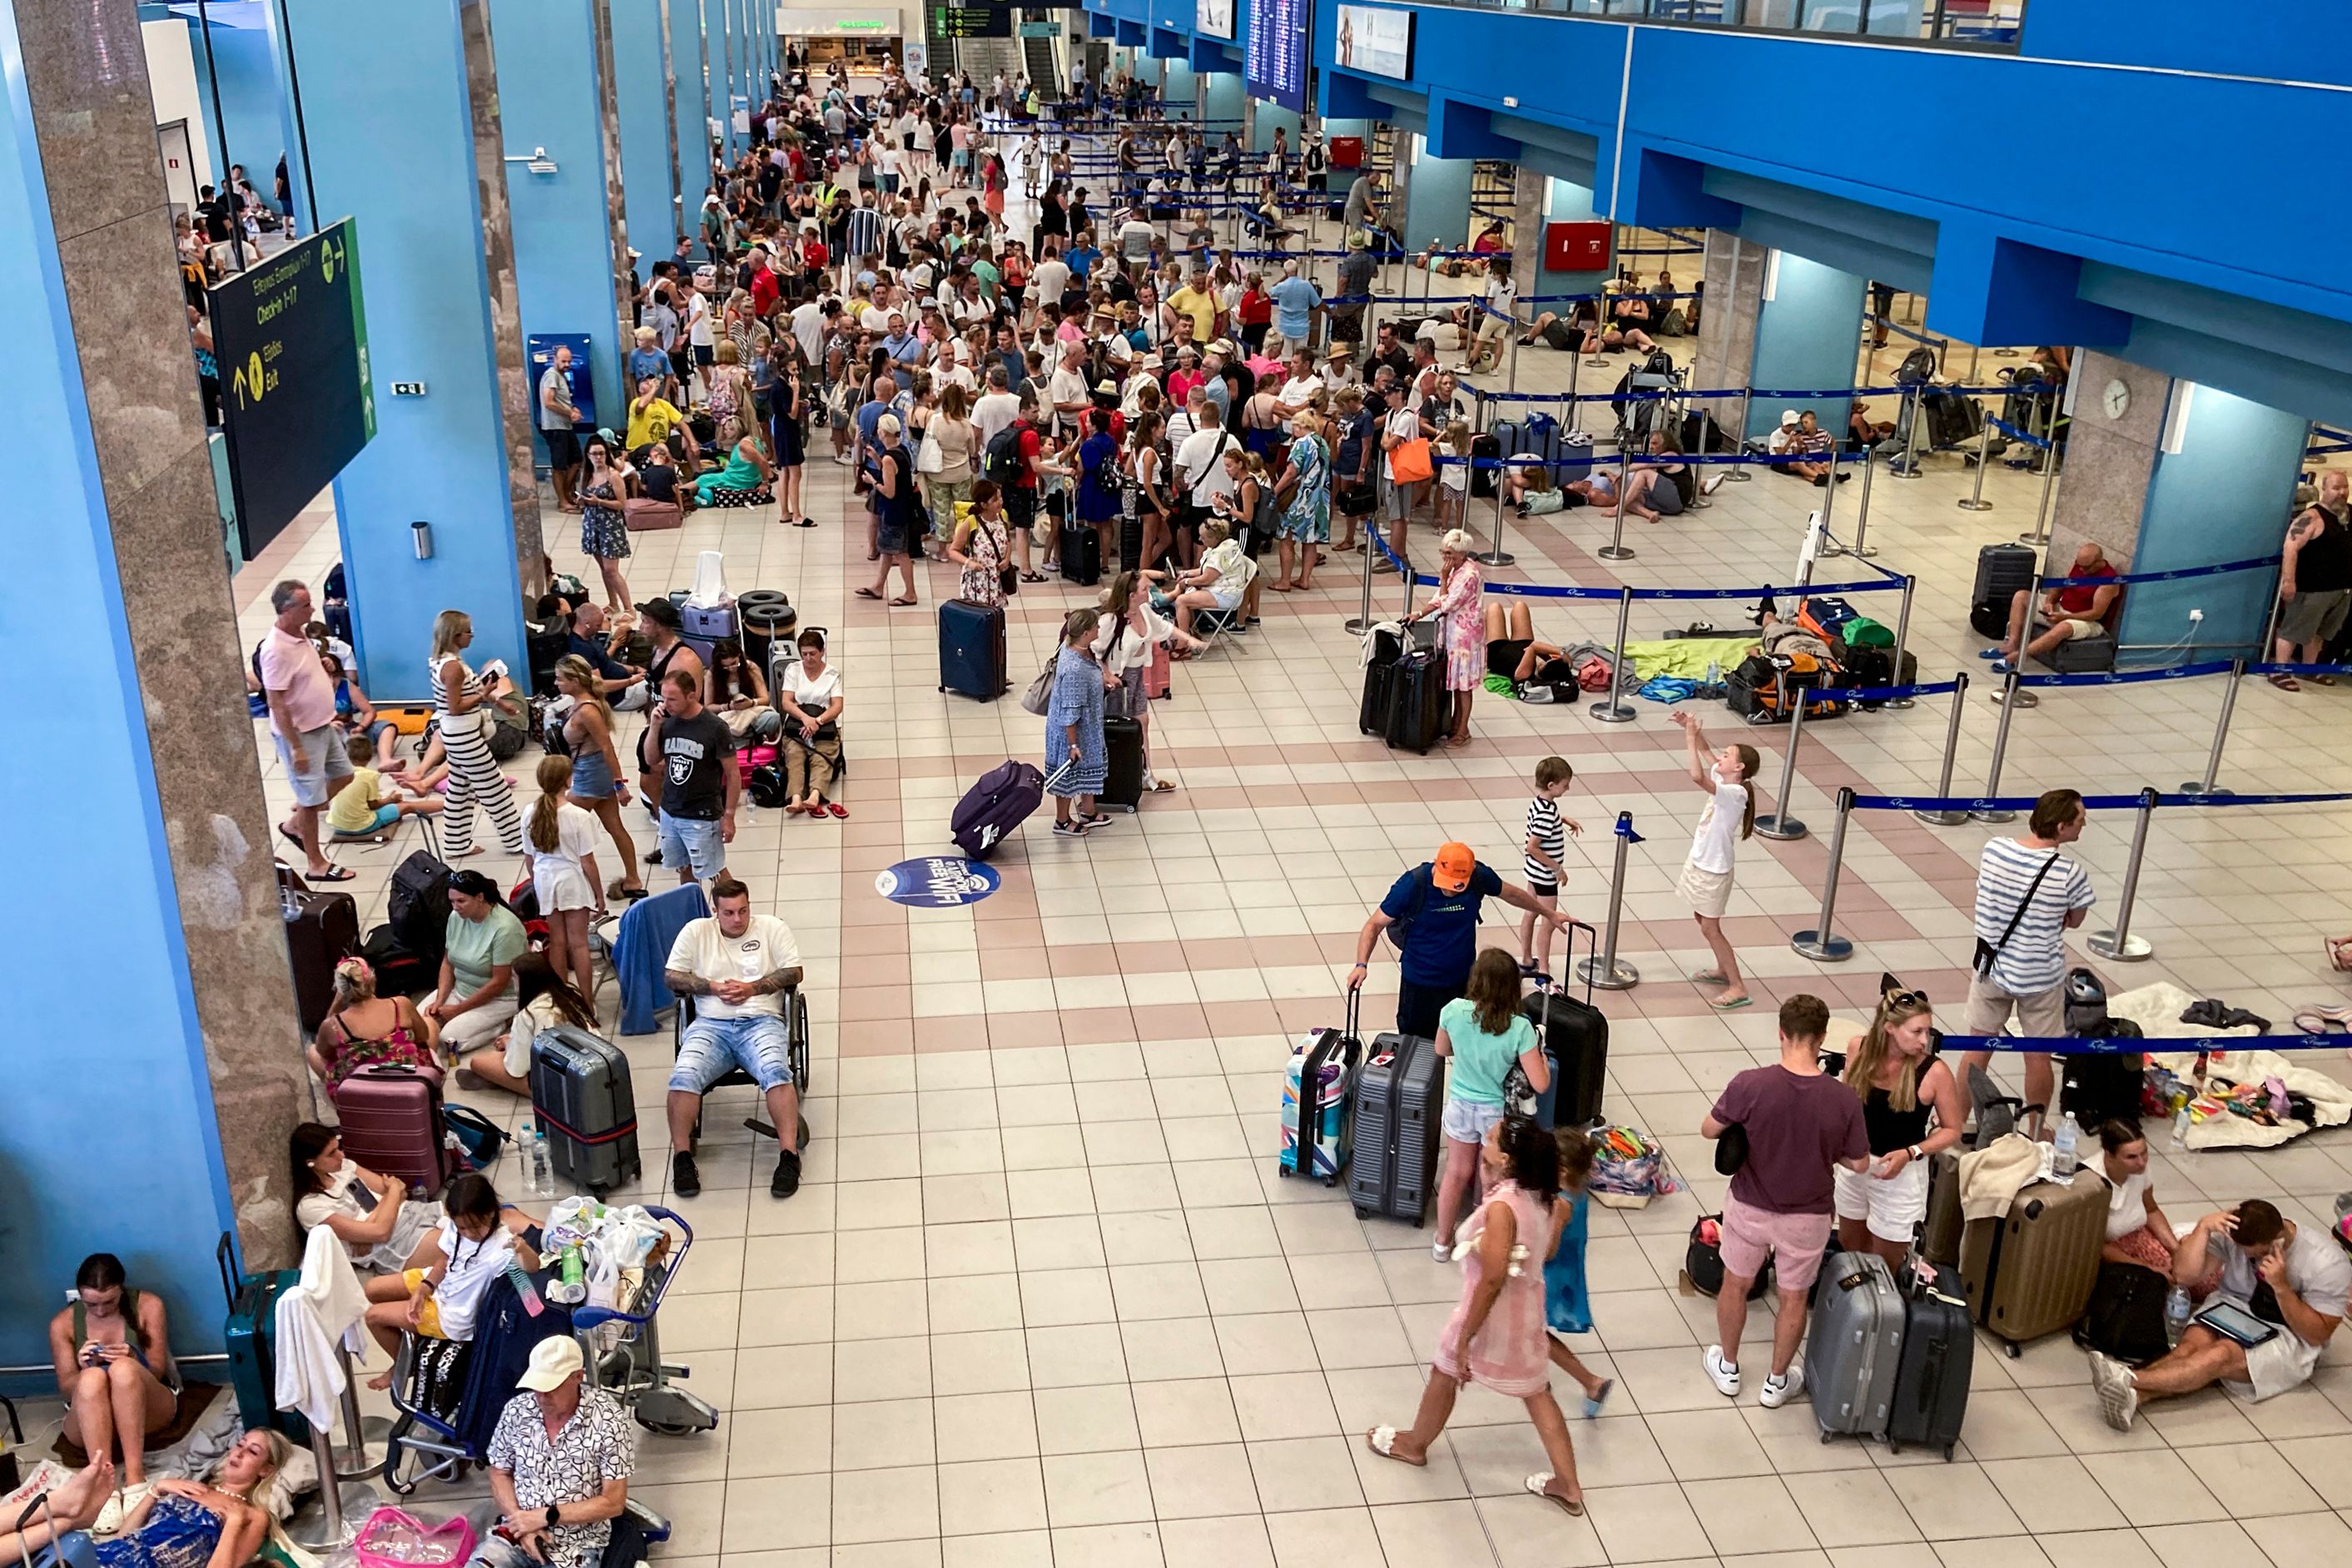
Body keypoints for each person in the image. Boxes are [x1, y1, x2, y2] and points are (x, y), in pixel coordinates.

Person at [1364, 1116, 1586, 1517]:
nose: (1483, 1139)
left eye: (1490, 1139)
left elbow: (1491, 1280)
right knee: (1538, 1393)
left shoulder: (1504, 1209)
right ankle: (1568, 1485)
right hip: (1527, 1311)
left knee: (1445, 1368)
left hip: (1491, 1313)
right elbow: (1546, 1253)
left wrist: (1467, 1335)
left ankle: (1415, 1444)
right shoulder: (1544, 1196)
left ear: (1508, 1158)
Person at [1700, 994, 1872, 1407]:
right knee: (1793, 1297)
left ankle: (1728, 1366)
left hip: (1750, 1206)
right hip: (1809, 1216)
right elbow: (1860, 1162)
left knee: (1736, 1285)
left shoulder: (1750, 1083)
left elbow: (1709, 1129)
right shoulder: (1843, 1098)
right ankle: (1777, 1382)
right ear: (1823, 1038)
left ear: (1781, 1032)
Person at [2090, 1198, 2351, 1427]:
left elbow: (2317, 1334)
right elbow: (2183, 1276)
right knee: (2188, 1349)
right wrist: (2203, 1228)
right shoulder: (2232, 1233)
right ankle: (2134, 1395)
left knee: (2220, 1355)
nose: (2250, 1258)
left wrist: (2282, 1288)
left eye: (2255, 1253)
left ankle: (2129, 1378)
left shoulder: (2327, 1263)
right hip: (2232, 1306)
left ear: (2276, 1241)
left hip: (2287, 1331)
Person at [664, 875, 806, 1198]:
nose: (737, 919)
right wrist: (711, 986)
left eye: (743, 911)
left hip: (761, 1021)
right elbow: (671, 976)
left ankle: (789, 1156)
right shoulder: (696, 932)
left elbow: (794, 972)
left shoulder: (771, 928)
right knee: (683, 1075)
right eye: (729, 913)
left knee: (776, 1071)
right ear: (716, 911)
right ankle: (682, 1158)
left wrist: (753, 988)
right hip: (711, 1024)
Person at [1958, 787, 2096, 1120]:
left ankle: (1952, 1123)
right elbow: (2075, 920)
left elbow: (1986, 893)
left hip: (1991, 966)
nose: (2084, 825)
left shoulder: (1994, 849)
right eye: (2079, 820)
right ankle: (2034, 1131)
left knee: (1977, 1049)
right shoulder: (2069, 873)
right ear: (2061, 827)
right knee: (2037, 1057)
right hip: (2040, 977)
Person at [1348, 841, 1574, 1040]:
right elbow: (1374, 924)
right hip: (1420, 984)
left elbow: (1512, 894)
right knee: (1417, 1049)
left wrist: (1549, 913)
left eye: (1457, 885)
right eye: (1446, 883)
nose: (1450, 891)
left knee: (1464, 1041)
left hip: (1463, 981)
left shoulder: (1479, 877)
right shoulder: (1414, 884)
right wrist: (1361, 965)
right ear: (1436, 866)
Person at [0, 1432, 289, 1568]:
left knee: (66, 1532)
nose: (238, 1453)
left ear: (266, 1470)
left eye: (252, 1452)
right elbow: (127, 1535)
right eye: (239, 1444)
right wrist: (156, 1490)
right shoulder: (193, 1486)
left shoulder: (251, 1515)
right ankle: (71, 1514)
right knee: (69, 1534)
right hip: (111, 1554)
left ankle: (71, 1512)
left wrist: (233, 1523)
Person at [1430, 949, 1550, 1260]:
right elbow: (1540, 1084)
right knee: (1490, 1177)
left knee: (1456, 1172)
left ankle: (1442, 1241)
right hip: (1494, 1113)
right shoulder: (1520, 1028)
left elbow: (1441, 1050)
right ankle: (1482, 1238)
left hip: (1459, 1103)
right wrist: (1544, 1063)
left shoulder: (1453, 1011)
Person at [476, 1337, 636, 1568]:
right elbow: (499, 1472)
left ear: (578, 1377)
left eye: (551, 1387)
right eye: (537, 1387)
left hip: (578, 1543)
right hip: (517, 1531)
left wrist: (545, 1516)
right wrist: (522, 1524)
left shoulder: (609, 1421)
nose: (542, 1396)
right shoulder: (517, 1411)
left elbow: (613, 1502)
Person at [1833, 985, 1965, 1268]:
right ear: (1890, 1028)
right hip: (1855, 1164)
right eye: (1916, 1032)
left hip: (1900, 1174)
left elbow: (1953, 1129)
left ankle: (1880, 1309)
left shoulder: (1934, 1072)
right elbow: (1846, 1103)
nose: (1924, 1040)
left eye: (1927, 1032)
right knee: (1850, 1244)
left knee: (1884, 1262)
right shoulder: (1859, 1047)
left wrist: (1911, 1152)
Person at [360, 1174, 531, 1387]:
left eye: (475, 1227)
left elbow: (529, 1278)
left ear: (491, 1213)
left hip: (452, 1315)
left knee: (373, 1317)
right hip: (441, 1282)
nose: (467, 1234)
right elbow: (445, 1259)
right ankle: (412, 1337)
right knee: (372, 1289)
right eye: (461, 1228)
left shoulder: (502, 1248)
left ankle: (406, 1364)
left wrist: (524, 1251)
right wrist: (425, 1288)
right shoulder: (457, 1225)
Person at [48, 1255, 179, 1498]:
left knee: (123, 1370)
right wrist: (85, 1367)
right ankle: (102, 1485)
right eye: (91, 1304)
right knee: (92, 1378)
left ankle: (135, 1476)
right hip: (90, 1415)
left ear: (122, 1290)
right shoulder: (62, 1324)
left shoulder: (148, 1305)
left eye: (109, 1302)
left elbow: (158, 1370)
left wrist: (134, 1357)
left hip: (148, 1407)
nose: (100, 1311)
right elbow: (66, 1388)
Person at [261, 579, 357, 883]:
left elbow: (301, 677)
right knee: (308, 798)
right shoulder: (275, 650)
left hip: (322, 725)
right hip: (301, 735)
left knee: (344, 775)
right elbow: (276, 702)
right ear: (286, 610)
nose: (313, 609)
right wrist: (295, 747)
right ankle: (316, 862)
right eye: (306, 605)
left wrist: (323, 666)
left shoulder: (299, 635)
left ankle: (295, 824)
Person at [1669, 711, 1759, 1010]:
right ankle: (1723, 969)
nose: (1720, 757)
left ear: (1740, 767)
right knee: (1700, 918)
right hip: (1700, 861)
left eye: (1727, 756)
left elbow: (1697, 776)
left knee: (1711, 927)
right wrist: (1692, 729)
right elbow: (1707, 753)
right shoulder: (1726, 779)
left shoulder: (1734, 793)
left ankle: (1738, 986)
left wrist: (1688, 739)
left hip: (1714, 870)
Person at [428, 609, 528, 859]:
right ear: (455, 635)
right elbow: (455, 706)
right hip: (464, 735)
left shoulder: (445, 661)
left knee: (460, 789)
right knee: (494, 787)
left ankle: (456, 843)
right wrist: (485, 695)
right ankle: (516, 841)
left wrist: (499, 702)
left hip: (458, 733)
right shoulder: (452, 668)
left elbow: (468, 692)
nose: (472, 636)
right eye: (469, 631)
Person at [290, 1122, 445, 1273]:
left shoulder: (344, 1167)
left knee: (466, 1219)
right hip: (394, 1241)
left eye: (338, 1148)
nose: (341, 1156)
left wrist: (370, 1223)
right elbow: (381, 1233)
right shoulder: (311, 1206)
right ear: (310, 1163)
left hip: (411, 1211)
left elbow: (401, 1191)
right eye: (331, 1154)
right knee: (459, 1247)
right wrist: (392, 1193)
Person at [552, 656, 643, 901]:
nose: (556, 682)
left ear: (574, 681)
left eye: (560, 679)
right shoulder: (582, 703)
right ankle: (633, 879)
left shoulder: (588, 711)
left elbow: (607, 747)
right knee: (615, 826)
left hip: (591, 777)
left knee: (557, 823)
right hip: (591, 772)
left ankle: (568, 882)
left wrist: (619, 785)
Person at [1540, 1126, 1615, 1417]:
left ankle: (1590, 1381)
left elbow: (1549, 1250)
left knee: (1534, 1331)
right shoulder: (1576, 1192)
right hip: (1567, 1268)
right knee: (1533, 1329)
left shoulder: (1561, 1204)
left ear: (1560, 1170)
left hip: (1552, 1273)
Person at [524, 754, 607, 1015]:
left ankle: (562, 1002)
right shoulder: (578, 816)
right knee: (579, 944)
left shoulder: (530, 812)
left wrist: (537, 883)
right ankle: (587, 1002)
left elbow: (530, 858)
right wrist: (599, 894)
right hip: (571, 880)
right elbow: (588, 862)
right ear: (568, 780)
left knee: (557, 943)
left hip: (545, 879)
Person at [647, 668, 740, 884]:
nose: (666, 704)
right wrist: (654, 727)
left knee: (714, 871)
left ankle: (734, 911)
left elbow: (733, 774)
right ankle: (694, 915)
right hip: (670, 810)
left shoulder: (715, 727)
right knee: (684, 868)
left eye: (672, 699)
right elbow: (651, 759)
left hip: (702, 815)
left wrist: (729, 816)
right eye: (663, 698)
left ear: (692, 695)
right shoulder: (667, 722)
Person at [460, 952, 598, 1096]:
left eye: (515, 979)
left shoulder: (529, 1014)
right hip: (590, 1070)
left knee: (479, 1062)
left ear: (525, 982)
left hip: (562, 1083)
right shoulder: (570, 993)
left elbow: (517, 1068)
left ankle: (498, 1081)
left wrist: (510, 1045)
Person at [429, 869, 529, 1060]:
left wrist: (458, 1010)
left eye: (461, 901)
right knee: (419, 1022)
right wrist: (440, 1000)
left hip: (501, 998)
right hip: (462, 988)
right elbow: (448, 962)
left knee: (448, 1040)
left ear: (480, 897)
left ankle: (503, 1022)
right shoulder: (455, 917)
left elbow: (500, 982)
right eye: (452, 902)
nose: (456, 907)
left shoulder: (505, 929)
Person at [1982, 541, 2121, 675]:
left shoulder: (2108, 582)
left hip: (2087, 621)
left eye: (2086, 567)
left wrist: (2065, 617)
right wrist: (2050, 602)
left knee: (2063, 627)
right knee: (2021, 597)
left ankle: (2014, 658)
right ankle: (2012, 644)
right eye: (2080, 566)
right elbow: (2060, 586)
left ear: (2098, 562)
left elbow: (2096, 614)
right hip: (2062, 609)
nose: (2082, 570)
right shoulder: (2079, 567)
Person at [1402, 529, 1486, 747]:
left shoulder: (1469, 575)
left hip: (1465, 638)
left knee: (1463, 686)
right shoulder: (1455, 570)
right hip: (1452, 634)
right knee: (1456, 684)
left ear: (1461, 553)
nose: (1444, 557)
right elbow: (1438, 598)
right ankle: (1455, 723)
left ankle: (1463, 729)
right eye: (1443, 552)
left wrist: (1442, 578)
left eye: (1448, 553)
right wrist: (1418, 614)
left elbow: (1447, 603)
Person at [2271, 469, 2351, 689]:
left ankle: (2309, 670)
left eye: (2345, 487)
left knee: (2321, 633)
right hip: (2311, 589)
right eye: (2336, 488)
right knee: (2293, 631)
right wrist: (2289, 581)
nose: (2341, 492)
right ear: (2324, 489)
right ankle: (2279, 671)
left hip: (2341, 590)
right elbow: (2290, 547)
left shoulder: (2347, 515)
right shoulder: (2312, 517)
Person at [310, 955, 440, 1085]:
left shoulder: (332, 1025)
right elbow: (423, 1036)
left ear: (341, 989)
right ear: (373, 979)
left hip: (363, 1093)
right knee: (430, 1023)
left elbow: (323, 1053)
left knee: (312, 1052)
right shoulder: (400, 1004)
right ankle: (430, 1083)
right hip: (409, 1085)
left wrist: (337, 1003)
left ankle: (341, 1098)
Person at [2091, 1120, 2190, 1276]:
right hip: (2109, 1254)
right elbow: (2097, 1247)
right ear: (2109, 1155)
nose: (2142, 1162)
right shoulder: (2092, 1184)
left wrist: (2177, 1250)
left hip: (2139, 1236)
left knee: (2198, 1275)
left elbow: (2151, 1209)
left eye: (2144, 1153)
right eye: (2131, 1157)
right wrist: (2150, 1270)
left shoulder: (2139, 1169)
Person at [1045, 608, 1110, 836]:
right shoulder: (1074, 669)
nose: (1099, 629)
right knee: (1068, 773)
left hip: (1087, 727)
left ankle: (1088, 811)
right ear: (1085, 633)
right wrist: (1073, 746)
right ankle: (1062, 820)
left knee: (1087, 769)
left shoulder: (1073, 646)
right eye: (1095, 627)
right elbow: (1071, 712)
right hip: (1071, 731)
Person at [1517, 757, 1581, 983]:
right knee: (1549, 921)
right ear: (1552, 785)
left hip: (1533, 872)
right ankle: (1543, 971)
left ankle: (1526, 959)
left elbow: (1543, 822)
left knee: (1529, 913)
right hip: (1544, 875)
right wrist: (1557, 869)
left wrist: (1562, 820)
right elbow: (1532, 847)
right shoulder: (1546, 813)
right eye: (1565, 784)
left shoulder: (1540, 803)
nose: (1568, 788)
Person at [775, 628, 846, 818]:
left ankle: (815, 795)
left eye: (813, 654)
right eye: (804, 654)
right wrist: (805, 719)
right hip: (799, 724)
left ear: (822, 651)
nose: (808, 658)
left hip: (824, 726)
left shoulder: (832, 674)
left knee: (821, 756)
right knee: (795, 756)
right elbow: (787, 702)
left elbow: (837, 706)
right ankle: (796, 797)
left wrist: (818, 721)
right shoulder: (793, 670)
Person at [325, 732, 443, 843]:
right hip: (361, 826)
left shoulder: (336, 773)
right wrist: (390, 800)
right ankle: (448, 805)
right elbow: (373, 805)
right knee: (407, 806)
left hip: (336, 825)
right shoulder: (369, 775)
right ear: (371, 756)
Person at [858, 413, 923, 605]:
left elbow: (889, 491)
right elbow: (896, 473)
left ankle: (910, 593)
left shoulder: (889, 459)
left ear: (882, 432)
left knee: (900, 553)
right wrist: (876, 458)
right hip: (903, 508)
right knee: (886, 549)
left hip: (893, 511)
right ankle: (878, 586)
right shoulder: (901, 450)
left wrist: (872, 481)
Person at [576, 436, 632, 612]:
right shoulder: (587, 475)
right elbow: (586, 498)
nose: (598, 458)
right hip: (592, 526)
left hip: (610, 527)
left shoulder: (613, 476)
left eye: (601, 454)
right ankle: (613, 603)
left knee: (611, 570)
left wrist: (599, 502)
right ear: (588, 455)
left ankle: (629, 608)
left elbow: (622, 504)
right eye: (594, 454)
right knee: (603, 569)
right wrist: (583, 502)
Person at [706, 638, 784, 744]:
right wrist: (728, 707)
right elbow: (709, 707)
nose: (731, 668)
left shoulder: (750, 668)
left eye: (734, 663)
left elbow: (765, 699)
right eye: (725, 666)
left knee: (773, 719)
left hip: (750, 712)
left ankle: (739, 740)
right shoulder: (712, 674)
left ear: (739, 656)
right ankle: (749, 739)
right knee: (713, 727)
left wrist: (751, 703)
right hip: (726, 716)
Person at [538, 345, 582, 514]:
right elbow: (549, 402)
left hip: (565, 426)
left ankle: (567, 494)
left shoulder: (561, 377)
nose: (567, 364)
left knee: (576, 459)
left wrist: (573, 409)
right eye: (563, 361)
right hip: (556, 427)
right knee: (559, 465)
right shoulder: (551, 376)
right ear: (554, 360)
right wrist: (570, 413)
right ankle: (563, 500)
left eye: (569, 361)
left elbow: (561, 400)